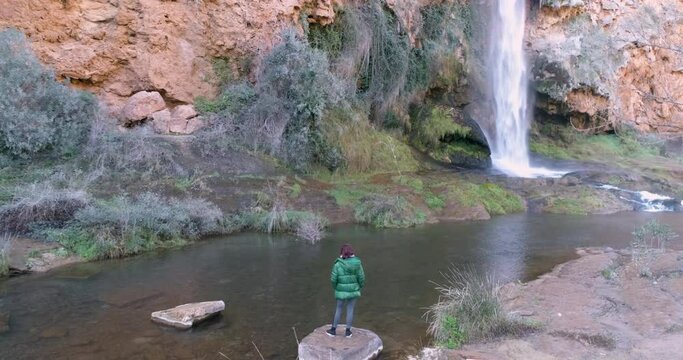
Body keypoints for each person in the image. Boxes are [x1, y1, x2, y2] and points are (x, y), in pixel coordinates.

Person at [327, 244, 365, 338]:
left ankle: (333, 330)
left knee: (338, 309)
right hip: (353, 290)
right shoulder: (357, 263)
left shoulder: (337, 264)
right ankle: (348, 332)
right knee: (350, 309)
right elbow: (362, 278)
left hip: (341, 290)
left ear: (342, 253)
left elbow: (333, 279)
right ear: (352, 252)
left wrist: (336, 287)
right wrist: (358, 287)